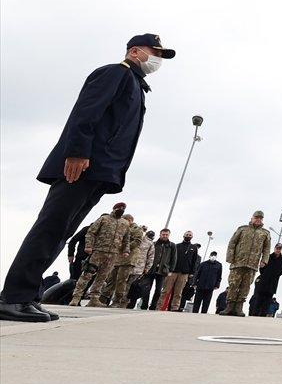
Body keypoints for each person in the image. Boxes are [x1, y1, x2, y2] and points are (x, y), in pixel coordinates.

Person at [0, 34, 173, 322]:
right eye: (154, 52)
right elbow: (86, 113)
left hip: (101, 171)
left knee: (60, 233)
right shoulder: (115, 73)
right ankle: (12, 297)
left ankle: (27, 296)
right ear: (134, 51)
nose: (157, 59)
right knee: (50, 228)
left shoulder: (136, 85)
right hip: (82, 166)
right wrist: (77, 153)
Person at [69, 203, 131, 306]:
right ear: (114, 208)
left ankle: (94, 299)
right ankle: (76, 297)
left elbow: (126, 239)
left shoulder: (125, 223)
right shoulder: (104, 219)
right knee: (87, 274)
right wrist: (89, 246)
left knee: (102, 277)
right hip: (98, 251)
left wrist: (126, 250)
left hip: (113, 254)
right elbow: (91, 232)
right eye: (119, 208)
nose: (121, 209)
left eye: (123, 208)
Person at [222, 211, 272, 317]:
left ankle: (239, 308)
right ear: (252, 218)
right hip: (238, 262)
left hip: (252, 264)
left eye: (260, 218)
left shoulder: (265, 233)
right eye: (256, 217)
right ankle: (229, 307)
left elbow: (266, 248)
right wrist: (230, 257)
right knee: (233, 284)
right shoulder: (242, 229)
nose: (258, 220)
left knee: (246, 286)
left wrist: (264, 260)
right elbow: (232, 243)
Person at [99, 214, 142, 307]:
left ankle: (117, 301)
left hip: (128, 258)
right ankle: (103, 299)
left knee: (121, 280)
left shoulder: (136, 229)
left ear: (130, 220)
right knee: (111, 279)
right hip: (117, 258)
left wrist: (124, 247)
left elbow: (137, 242)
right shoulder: (122, 228)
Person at [160, 230, 199, 311]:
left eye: (190, 235)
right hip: (173, 271)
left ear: (192, 237)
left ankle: (175, 307)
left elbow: (194, 261)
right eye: (187, 234)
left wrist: (192, 272)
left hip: (184, 273)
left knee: (178, 292)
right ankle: (159, 306)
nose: (188, 236)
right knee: (166, 290)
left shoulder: (193, 248)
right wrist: (169, 269)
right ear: (183, 235)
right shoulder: (177, 246)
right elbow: (170, 258)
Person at [250, 243, 282, 316]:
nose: (278, 250)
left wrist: (275, 276)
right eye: (277, 248)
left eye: (279, 249)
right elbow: (261, 268)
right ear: (274, 248)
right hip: (264, 281)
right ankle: (255, 314)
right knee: (259, 299)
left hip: (273, 283)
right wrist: (266, 275)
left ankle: (263, 315)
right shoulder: (268, 257)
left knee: (268, 300)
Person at [148, 229, 176, 310]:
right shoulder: (154, 244)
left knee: (158, 290)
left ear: (169, 235)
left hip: (162, 271)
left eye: (166, 234)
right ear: (160, 234)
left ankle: (152, 306)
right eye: (163, 234)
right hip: (151, 269)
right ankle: (144, 305)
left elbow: (174, 259)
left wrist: (171, 270)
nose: (165, 236)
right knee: (146, 289)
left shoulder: (172, 246)